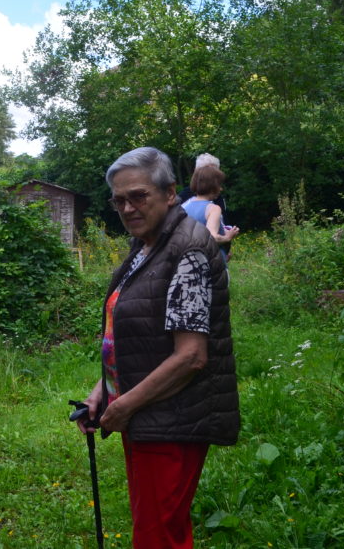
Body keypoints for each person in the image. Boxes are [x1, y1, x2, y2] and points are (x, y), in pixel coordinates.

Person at [76, 146, 240, 549]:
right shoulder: (148, 245)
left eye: (138, 196)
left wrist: (125, 405)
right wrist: (104, 391)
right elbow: (134, 334)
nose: (128, 208)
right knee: (159, 529)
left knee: (156, 537)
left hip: (173, 419)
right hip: (149, 413)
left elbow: (191, 356)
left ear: (170, 193)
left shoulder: (188, 250)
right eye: (119, 200)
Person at [180, 165, 239, 257]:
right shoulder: (213, 209)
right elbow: (211, 237)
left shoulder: (183, 206)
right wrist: (227, 237)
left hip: (189, 262)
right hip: (212, 263)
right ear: (212, 186)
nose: (221, 189)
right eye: (219, 185)